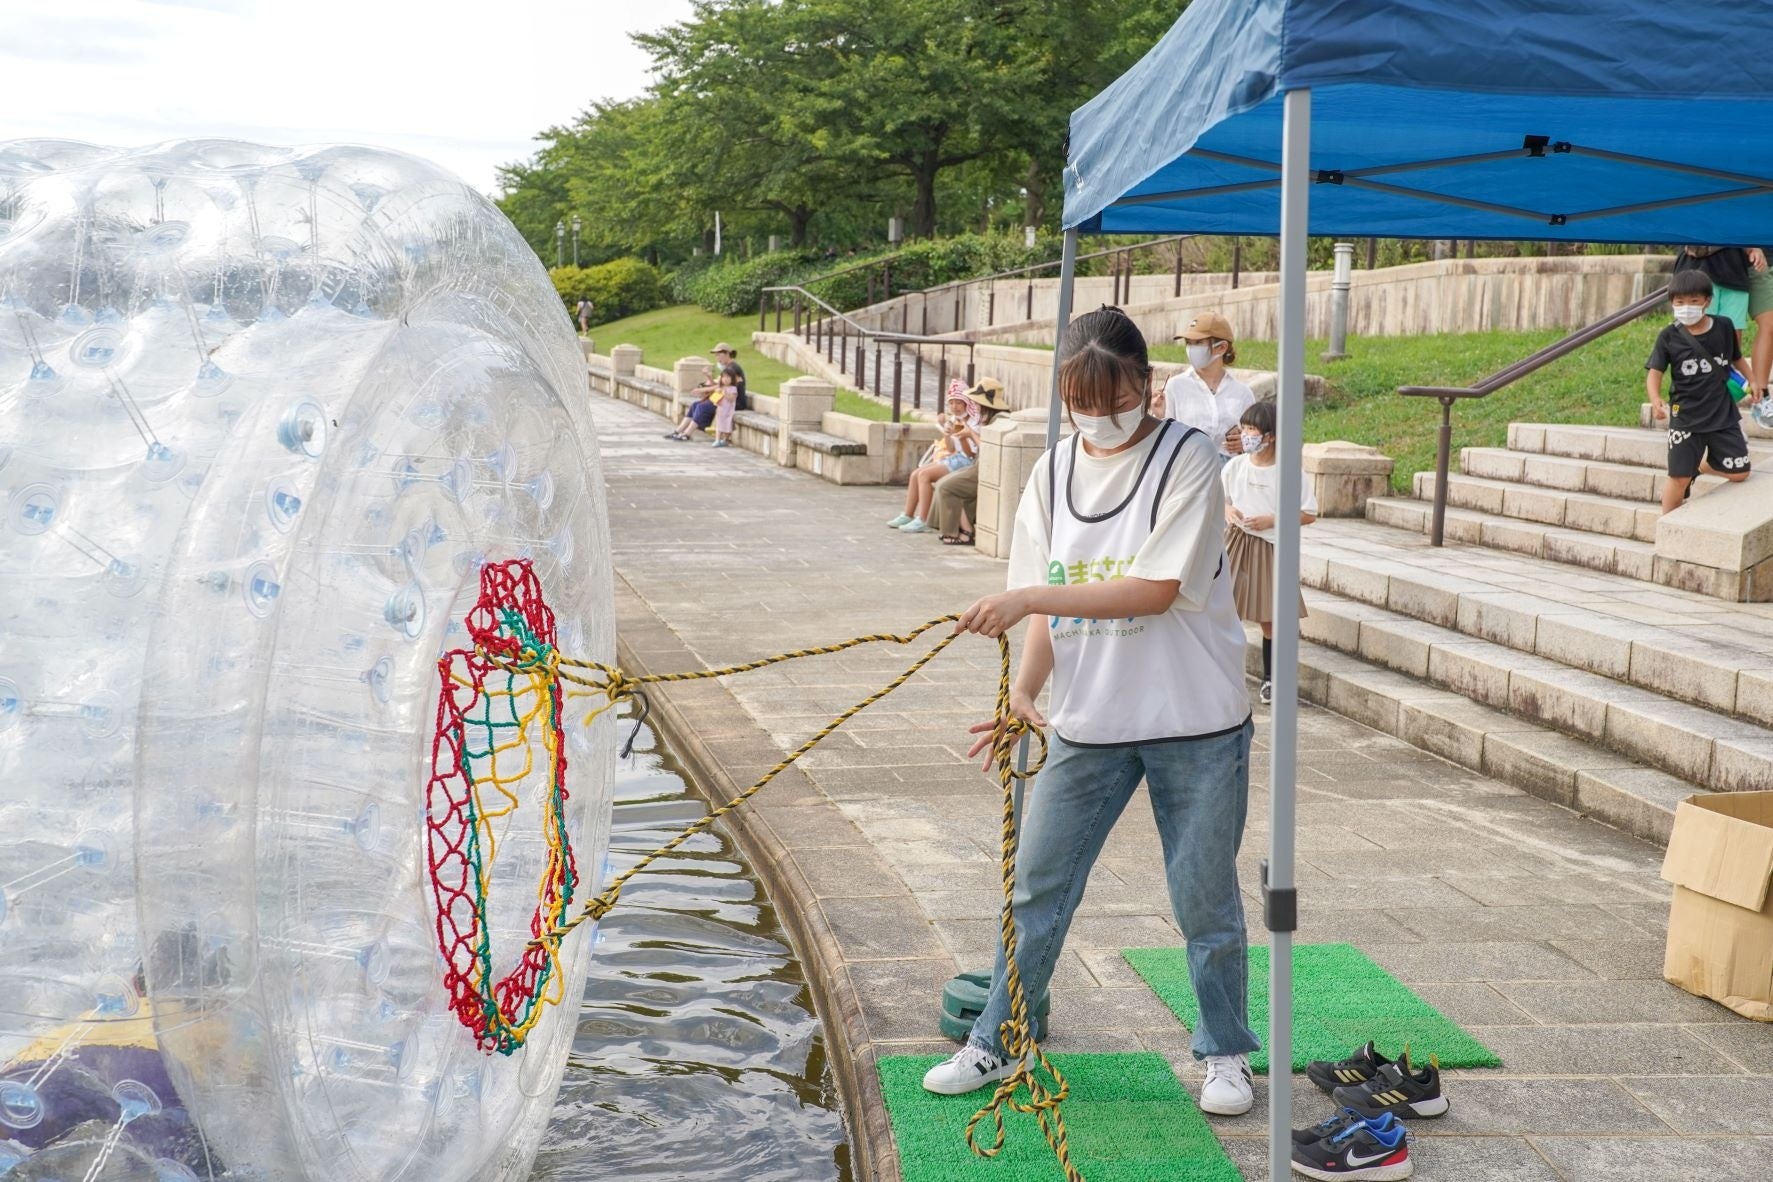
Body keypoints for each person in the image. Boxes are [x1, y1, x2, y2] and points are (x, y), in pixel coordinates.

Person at [922, 306, 1258, 1118]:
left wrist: (1028, 595)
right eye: (1080, 399)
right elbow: (1046, 607)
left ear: (1146, 386)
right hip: (1088, 722)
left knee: (1202, 896)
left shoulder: (1188, 459)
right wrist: (1025, 692)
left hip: (1196, 722)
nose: (1099, 414)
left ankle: (1225, 1055)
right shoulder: (1051, 469)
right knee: (1036, 889)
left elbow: (1153, 592)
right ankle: (999, 1041)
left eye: (1113, 396)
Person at [1221, 399, 1316, 706]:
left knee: (1272, 618)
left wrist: (1271, 520)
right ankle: (1221, 676)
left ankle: (1272, 679)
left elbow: (1308, 513)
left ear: (1270, 435)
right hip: (1236, 541)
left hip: (1272, 545)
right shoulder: (1235, 466)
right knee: (1224, 608)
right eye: (1244, 427)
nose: (1246, 434)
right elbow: (1220, 500)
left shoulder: (1288, 472)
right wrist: (1229, 511)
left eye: (1252, 429)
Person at [1647, 270, 1753, 513]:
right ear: (1672, 303)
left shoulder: (1724, 326)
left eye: (1693, 301)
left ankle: (1701, 466)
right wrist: (1655, 400)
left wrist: (1754, 381)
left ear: (1707, 301)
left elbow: (1736, 358)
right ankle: (1667, 523)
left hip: (1721, 414)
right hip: (1685, 416)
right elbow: (1655, 372)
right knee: (1678, 479)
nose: (1686, 307)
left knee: (1741, 472)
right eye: (1680, 302)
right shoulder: (1668, 336)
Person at [1152, 311, 1254, 464]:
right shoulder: (1174, 387)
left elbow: (1258, 441)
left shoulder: (1242, 393)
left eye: (1198, 343)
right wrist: (1159, 417)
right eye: (1189, 343)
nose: (1191, 349)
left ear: (1221, 347)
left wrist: (1245, 442)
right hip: (1187, 472)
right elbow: (1162, 442)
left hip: (1229, 477)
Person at [889, 381, 980, 534]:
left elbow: (970, 454)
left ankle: (923, 519)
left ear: (966, 404)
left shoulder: (972, 423)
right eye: (952, 403)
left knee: (924, 475)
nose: (955, 407)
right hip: (955, 457)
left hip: (966, 461)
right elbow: (951, 449)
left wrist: (965, 436)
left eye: (959, 403)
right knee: (915, 474)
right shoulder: (954, 420)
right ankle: (908, 515)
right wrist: (947, 433)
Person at [933, 378, 1011, 545]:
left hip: (985, 468)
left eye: (976, 402)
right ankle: (962, 529)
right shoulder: (987, 419)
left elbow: (988, 448)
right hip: (978, 464)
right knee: (943, 483)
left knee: (946, 487)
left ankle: (960, 532)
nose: (973, 405)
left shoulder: (998, 419)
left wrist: (970, 434)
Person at [1673, 247, 1753, 359]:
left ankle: (1728, 371)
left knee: (1733, 331)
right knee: (1698, 328)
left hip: (1735, 272)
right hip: (1697, 270)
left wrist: (1753, 248)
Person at [710, 362, 742, 448]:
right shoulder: (720, 388)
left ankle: (725, 439)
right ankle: (717, 439)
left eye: (728, 377)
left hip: (728, 411)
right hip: (720, 410)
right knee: (719, 425)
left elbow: (732, 398)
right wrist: (717, 393)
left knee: (728, 426)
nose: (725, 379)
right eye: (723, 377)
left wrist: (725, 394)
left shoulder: (733, 388)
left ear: (732, 379)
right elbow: (715, 399)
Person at [710, 342, 749, 410]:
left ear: (727, 354)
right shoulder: (728, 367)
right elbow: (719, 384)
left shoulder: (733, 368)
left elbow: (720, 386)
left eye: (719, 355)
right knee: (698, 405)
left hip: (735, 402)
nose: (717, 358)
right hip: (726, 399)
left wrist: (701, 390)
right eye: (716, 355)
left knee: (705, 407)